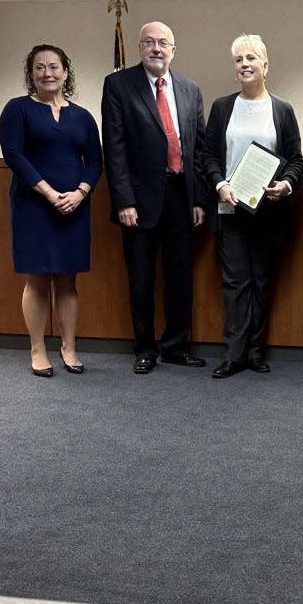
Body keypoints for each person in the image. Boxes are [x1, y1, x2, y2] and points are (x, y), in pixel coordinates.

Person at [101, 20, 207, 374]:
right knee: (142, 278)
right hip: (140, 200)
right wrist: (123, 201)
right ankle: (145, 348)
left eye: (163, 43)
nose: (156, 48)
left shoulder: (191, 89)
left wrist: (198, 199)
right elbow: (114, 149)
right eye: (149, 42)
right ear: (140, 47)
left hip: (181, 194)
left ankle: (176, 345)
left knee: (180, 277)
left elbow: (198, 149)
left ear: (174, 50)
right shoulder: (118, 85)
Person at [202, 35, 303, 378]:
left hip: (268, 210)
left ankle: (255, 351)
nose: (244, 64)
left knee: (260, 281)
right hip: (230, 209)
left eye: (251, 58)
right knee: (235, 282)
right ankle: (234, 354)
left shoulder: (282, 110)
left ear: (265, 66)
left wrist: (286, 185)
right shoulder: (221, 107)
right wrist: (220, 184)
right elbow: (208, 156)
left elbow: (295, 160)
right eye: (238, 59)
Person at [0, 45, 102, 377]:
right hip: (34, 206)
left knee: (68, 281)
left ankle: (69, 349)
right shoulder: (18, 110)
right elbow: (14, 155)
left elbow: (95, 162)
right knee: (38, 279)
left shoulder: (82, 116)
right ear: (31, 74)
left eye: (54, 67)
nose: (48, 73)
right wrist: (49, 192)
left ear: (66, 73)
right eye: (40, 67)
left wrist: (81, 193)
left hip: (74, 206)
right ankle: (38, 349)